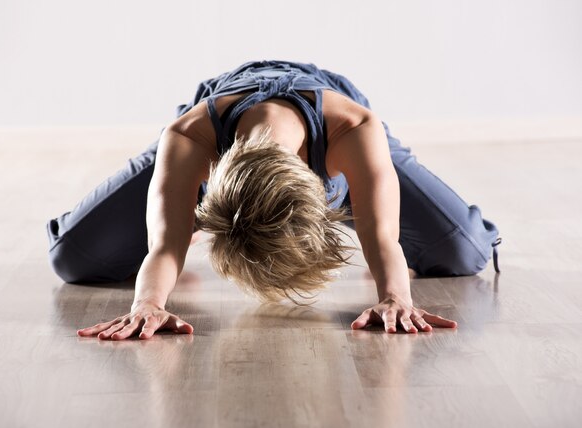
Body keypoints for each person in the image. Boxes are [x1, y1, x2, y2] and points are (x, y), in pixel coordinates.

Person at [46, 60, 501, 340]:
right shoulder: (188, 138)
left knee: (464, 252)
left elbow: (381, 238)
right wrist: (148, 303)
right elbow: (165, 245)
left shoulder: (356, 130)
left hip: (335, 127)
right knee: (73, 259)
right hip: (217, 134)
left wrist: (395, 296)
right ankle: (189, 208)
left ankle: (345, 201)